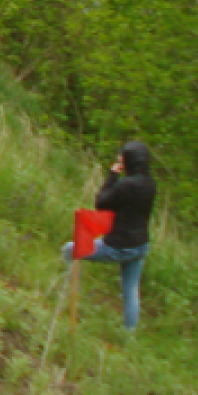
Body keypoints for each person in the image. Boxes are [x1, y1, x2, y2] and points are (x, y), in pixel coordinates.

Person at [61, 139, 157, 331]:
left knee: (70, 250)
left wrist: (113, 174)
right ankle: (129, 336)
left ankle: (69, 293)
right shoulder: (150, 185)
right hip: (140, 245)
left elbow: (101, 202)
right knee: (131, 290)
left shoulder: (126, 186)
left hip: (118, 245)